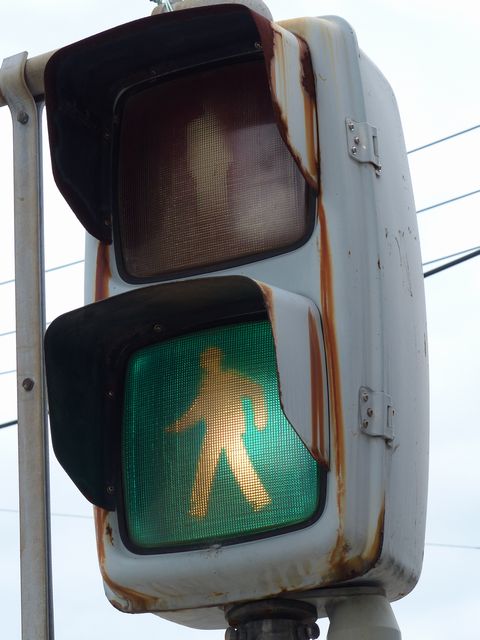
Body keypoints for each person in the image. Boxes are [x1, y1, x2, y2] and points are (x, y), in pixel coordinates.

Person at [167, 346, 271, 518]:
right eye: (205, 361)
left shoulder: (230, 378)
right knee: (206, 469)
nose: (206, 363)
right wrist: (177, 426)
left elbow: (256, 390)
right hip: (214, 432)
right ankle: (198, 510)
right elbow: (196, 411)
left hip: (230, 430)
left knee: (239, 466)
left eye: (209, 359)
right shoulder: (205, 385)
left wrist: (260, 419)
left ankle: (259, 502)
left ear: (217, 360)